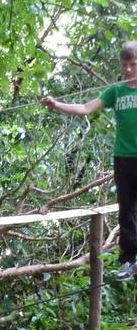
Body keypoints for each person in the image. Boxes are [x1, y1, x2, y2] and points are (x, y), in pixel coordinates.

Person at [41, 41, 137, 281]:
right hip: (123, 157)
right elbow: (85, 107)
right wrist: (57, 105)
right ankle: (128, 261)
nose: (127, 70)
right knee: (126, 212)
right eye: (124, 64)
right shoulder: (116, 92)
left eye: (133, 65)